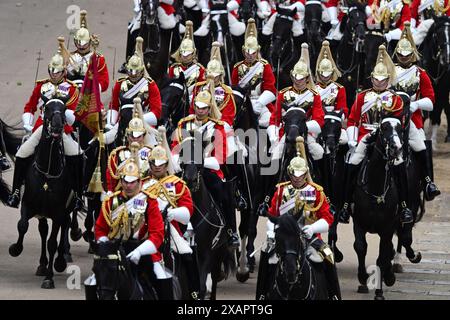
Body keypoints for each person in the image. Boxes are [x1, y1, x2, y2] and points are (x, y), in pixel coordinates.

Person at [339, 44, 413, 225]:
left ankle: (404, 206)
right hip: (366, 134)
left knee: (399, 164)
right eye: (375, 80)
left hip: (386, 137)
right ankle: (346, 205)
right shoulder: (362, 97)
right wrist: (352, 139)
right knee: (353, 162)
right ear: (371, 79)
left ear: (388, 79)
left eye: (382, 80)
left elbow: (399, 121)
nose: (378, 83)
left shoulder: (394, 98)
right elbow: (352, 119)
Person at [7, 37, 80, 208]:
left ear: (64, 72)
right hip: (42, 128)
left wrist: (64, 117)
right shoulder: (41, 86)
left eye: (57, 71)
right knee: (22, 153)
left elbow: (74, 114)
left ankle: (77, 194)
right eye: (51, 71)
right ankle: (16, 192)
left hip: (62, 129)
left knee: (77, 156)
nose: (53, 74)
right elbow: (29, 107)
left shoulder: (72, 89)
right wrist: (28, 123)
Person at [258, 152, 339, 300]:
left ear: (306, 173)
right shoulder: (281, 190)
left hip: (310, 236)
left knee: (328, 255)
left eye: (300, 174)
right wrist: (271, 231)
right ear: (289, 173)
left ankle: (334, 295)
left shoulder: (316, 191)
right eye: (294, 174)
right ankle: (262, 295)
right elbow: (272, 214)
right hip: (284, 236)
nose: (297, 177)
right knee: (266, 253)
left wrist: (313, 228)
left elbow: (328, 219)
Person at [171, 77, 240, 247]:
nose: (200, 111)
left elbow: (219, 159)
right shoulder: (183, 125)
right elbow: (174, 149)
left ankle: (231, 231)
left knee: (223, 192)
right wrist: (181, 162)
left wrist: (198, 162)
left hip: (208, 171)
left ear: (210, 108)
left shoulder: (217, 127)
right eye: (198, 107)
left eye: (204, 108)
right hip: (185, 168)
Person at [94, 153, 169, 299]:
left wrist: (140, 251)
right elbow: (100, 229)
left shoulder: (150, 202)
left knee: (161, 277)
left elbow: (157, 234)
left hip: (142, 251)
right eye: (125, 181)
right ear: (121, 181)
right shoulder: (111, 202)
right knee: (93, 281)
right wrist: (104, 246)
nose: (128, 186)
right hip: (114, 251)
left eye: (132, 182)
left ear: (140, 182)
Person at [142, 139, 199, 300]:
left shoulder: (178, 184)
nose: (157, 166)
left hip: (170, 227)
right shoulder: (142, 184)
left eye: (161, 163)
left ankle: (195, 292)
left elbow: (188, 211)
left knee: (186, 252)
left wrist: (172, 214)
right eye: (154, 163)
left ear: (166, 164)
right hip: (146, 227)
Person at [393, 22, 440, 201]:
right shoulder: (389, 72)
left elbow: (431, 101)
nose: (404, 58)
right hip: (390, 117)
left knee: (420, 145)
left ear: (413, 54)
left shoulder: (421, 74)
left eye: (407, 55)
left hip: (412, 119)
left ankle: (429, 182)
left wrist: (415, 105)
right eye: (401, 55)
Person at [267, 43, 324, 162]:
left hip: (306, 132)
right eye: (296, 77)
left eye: (301, 78)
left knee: (319, 153)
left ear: (307, 78)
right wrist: (273, 134)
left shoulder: (314, 95)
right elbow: (275, 118)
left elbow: (319, 120)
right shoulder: (283, 93)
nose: (298, 81)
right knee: (274, 156)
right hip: (287, 132)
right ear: (292, 77)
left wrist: (301, 127)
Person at [107, 37, 162, 130]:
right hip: (121, 123)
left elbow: (157, 112)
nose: (133, 74)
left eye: (136, 71)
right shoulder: (120, 83)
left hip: (143, 124)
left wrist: (138, 120)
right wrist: (111, 123)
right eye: (131, 71)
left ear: (141, 70)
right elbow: (114, 106)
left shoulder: (150, 85)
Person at [231, 18, 277, 128]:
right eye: (247, 52)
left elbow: (270, 88)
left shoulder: (264, 65)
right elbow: (234, 88)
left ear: (257, 51)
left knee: (269, 122)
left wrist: (260, 103)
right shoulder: (237, 67)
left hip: (260, 101)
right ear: (243, 51)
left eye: (253, 53)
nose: (250, 55)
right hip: (242, 102)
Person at [106, 108, 154, 195]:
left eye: (138, 136)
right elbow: (111, 180)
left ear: (143, 136)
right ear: (127, 136)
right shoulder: (117, 154)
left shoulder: (151, 153)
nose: (135, 139)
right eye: (132, 135)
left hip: (146, 194)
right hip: (122, 196)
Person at [66, 10, 109, 92]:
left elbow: (104, 81)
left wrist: (95, 88)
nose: (81, 47)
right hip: (71, 94)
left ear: (90, 42)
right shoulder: (69, 58)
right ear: (75, 42)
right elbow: (62, 78)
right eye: (79, 43)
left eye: (84, 44)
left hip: (90, 94)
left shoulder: (98, 59)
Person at [314, 40, 348, 145]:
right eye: (322, 74)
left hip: (334, 118)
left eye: (327, 74)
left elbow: (343, 107)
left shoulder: (339, 88)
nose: (325, 77)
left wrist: (337, 116)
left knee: (344, 140)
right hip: (317, 117)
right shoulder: (313, 88)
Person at [168, 21, 206, 101]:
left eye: (188, 54)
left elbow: (202, 88)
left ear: (193, 53)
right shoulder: (173, 68)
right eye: (183, 54)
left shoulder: (200, 69)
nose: (185, 57)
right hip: (175, 99)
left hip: (193, 99)